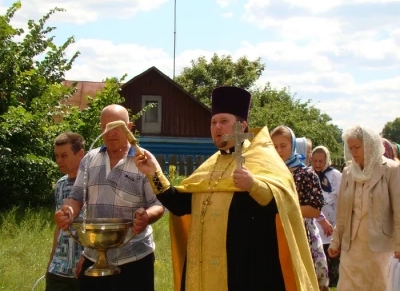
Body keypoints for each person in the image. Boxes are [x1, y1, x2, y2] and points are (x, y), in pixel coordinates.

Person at [135, 86, 319, 290]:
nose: (217, 127)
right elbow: (180, 205)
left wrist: (254, 185)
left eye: (224, 121)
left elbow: (284, 206)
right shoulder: (209, 166)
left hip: (248, 271)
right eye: (213, 122)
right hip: (205, 270)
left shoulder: (263, 159)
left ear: (243, 126)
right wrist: (154, 172)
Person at [54, 104, 165, 291]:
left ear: (129, 128)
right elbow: (76, 197)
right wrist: (68, 211)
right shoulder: (90, 159)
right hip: (93, 255)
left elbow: (159, 204)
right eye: (106, 127)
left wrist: (146, 217)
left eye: (117, 127)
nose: (111, 132)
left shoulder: (145, 160)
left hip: (134, 256)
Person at [328, 125, 400, 290]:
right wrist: (335, 241)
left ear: (370, 144)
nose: (354, 152)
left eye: (357, 147)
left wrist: (399, 245)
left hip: (378, 246)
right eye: (350, 147)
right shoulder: (347, 172)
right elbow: (342, 212)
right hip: (351, 245)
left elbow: (398, 209)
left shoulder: (391, 169)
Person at [271, 126, 328, 291]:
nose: (279, 150)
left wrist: (283, 209)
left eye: (283, 145)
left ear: (293, 145)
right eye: (274, 146)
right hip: (274, 231)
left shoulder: (306, 174)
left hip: (300, 232)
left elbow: (315, 209)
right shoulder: (269, 173)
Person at [46, 132, 85, 291]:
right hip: (59, 268)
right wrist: (50, 262)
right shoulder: (60, 184)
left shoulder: (93, 183)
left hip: (84, 266)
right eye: (56, 156)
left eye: (64, 155)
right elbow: (59, 228)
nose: (59, 161)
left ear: (80, 154)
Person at [311, 145, 342, 287]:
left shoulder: (336, 176)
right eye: (315, 161)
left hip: (333, 230)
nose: (317, 164)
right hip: (316, 229)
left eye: (321, 161)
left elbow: (344, 201)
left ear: (327, 160)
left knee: (334, 274)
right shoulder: (308, 175)